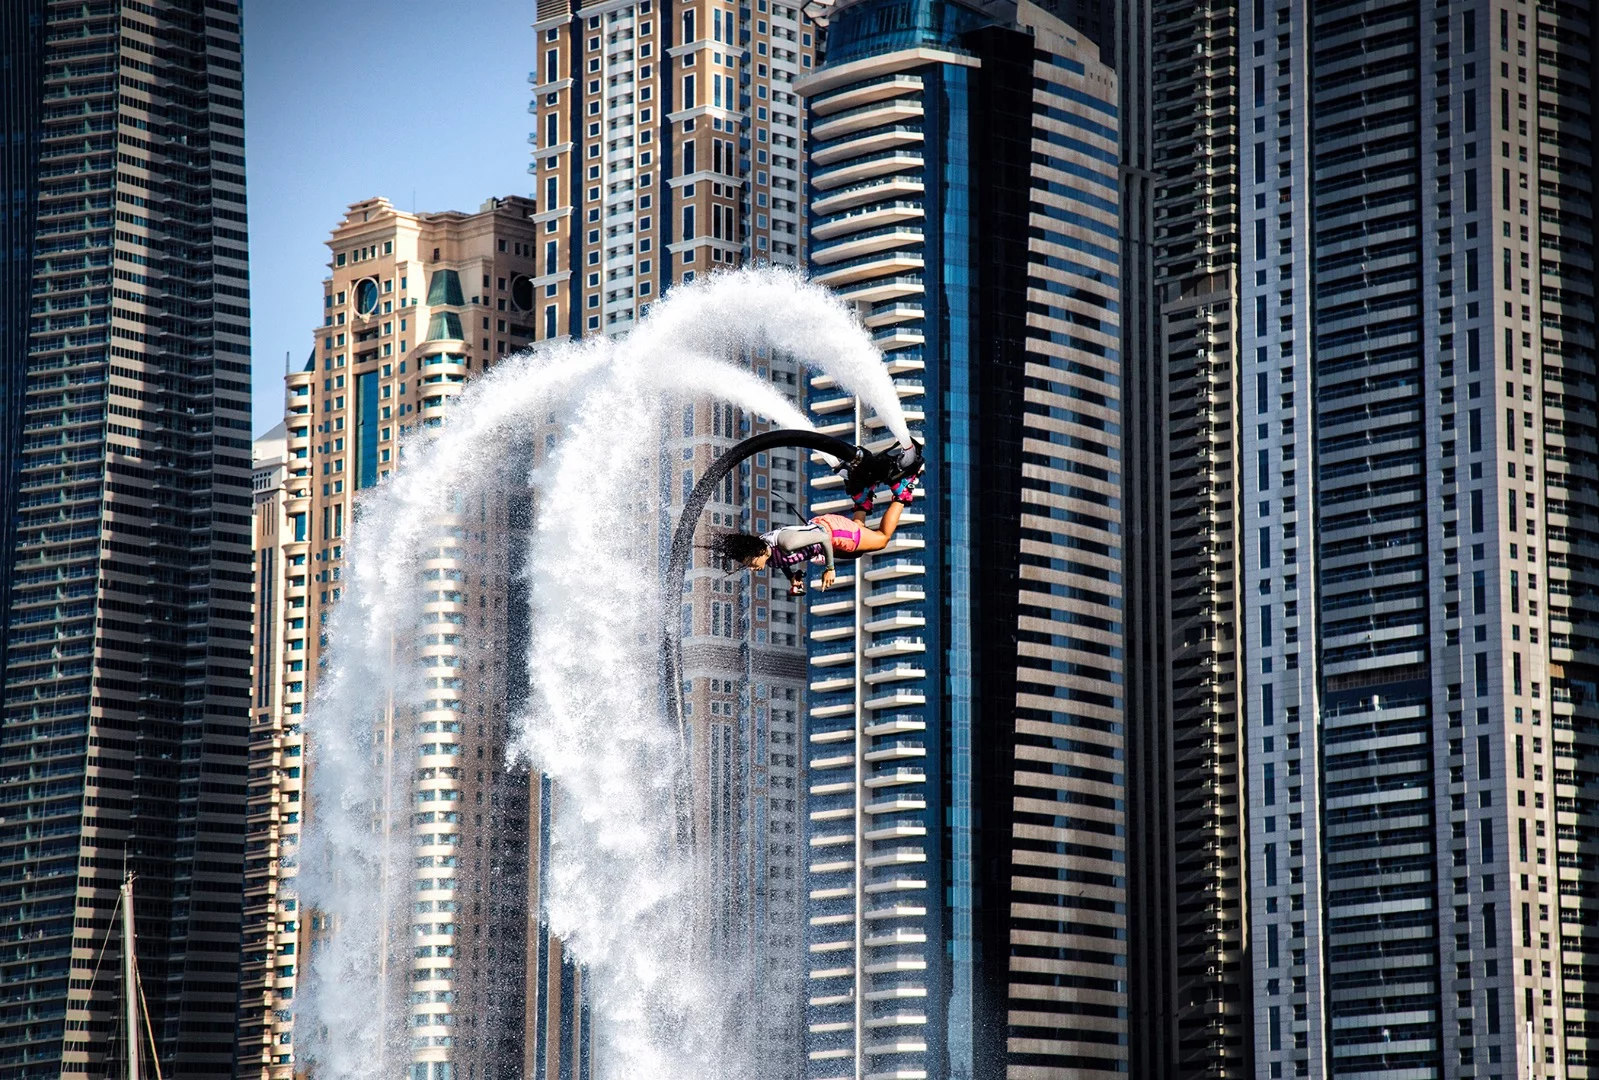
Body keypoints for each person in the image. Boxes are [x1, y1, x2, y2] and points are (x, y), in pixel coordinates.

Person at [713, 444, 922, 596]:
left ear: (757, 552)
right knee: (857, 551)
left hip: (830, 533)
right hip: (823, 532)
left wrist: (829, 569)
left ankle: (902, 492)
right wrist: (792, 577)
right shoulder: (766, 555)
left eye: (750, 563)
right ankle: (861, 498)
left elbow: (821, 537)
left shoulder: (786, 543)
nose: (752, 568)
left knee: (881, 540)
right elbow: (782, 562)